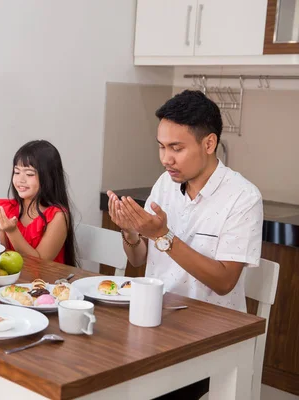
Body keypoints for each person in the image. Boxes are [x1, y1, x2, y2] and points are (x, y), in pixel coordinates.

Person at [107, 90, 263, 399]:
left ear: (209, 143)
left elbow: (223, 281)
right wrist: (131, 233)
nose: (166, 158)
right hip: (155, 323)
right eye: (162, 147)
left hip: (209, 340)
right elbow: (138, 260)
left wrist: (163, 236)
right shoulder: (165, 183)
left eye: (176, 148)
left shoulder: (243, 198)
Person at [0, 140, 77, 266]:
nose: (20, 179)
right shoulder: (9, 209)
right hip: (14, 283)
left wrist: (11, 231)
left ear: (48, 177)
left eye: (29, 174)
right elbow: (0, 257)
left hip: (46, 283)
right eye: (16, 172)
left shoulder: (58, 216)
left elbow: (39, 265)